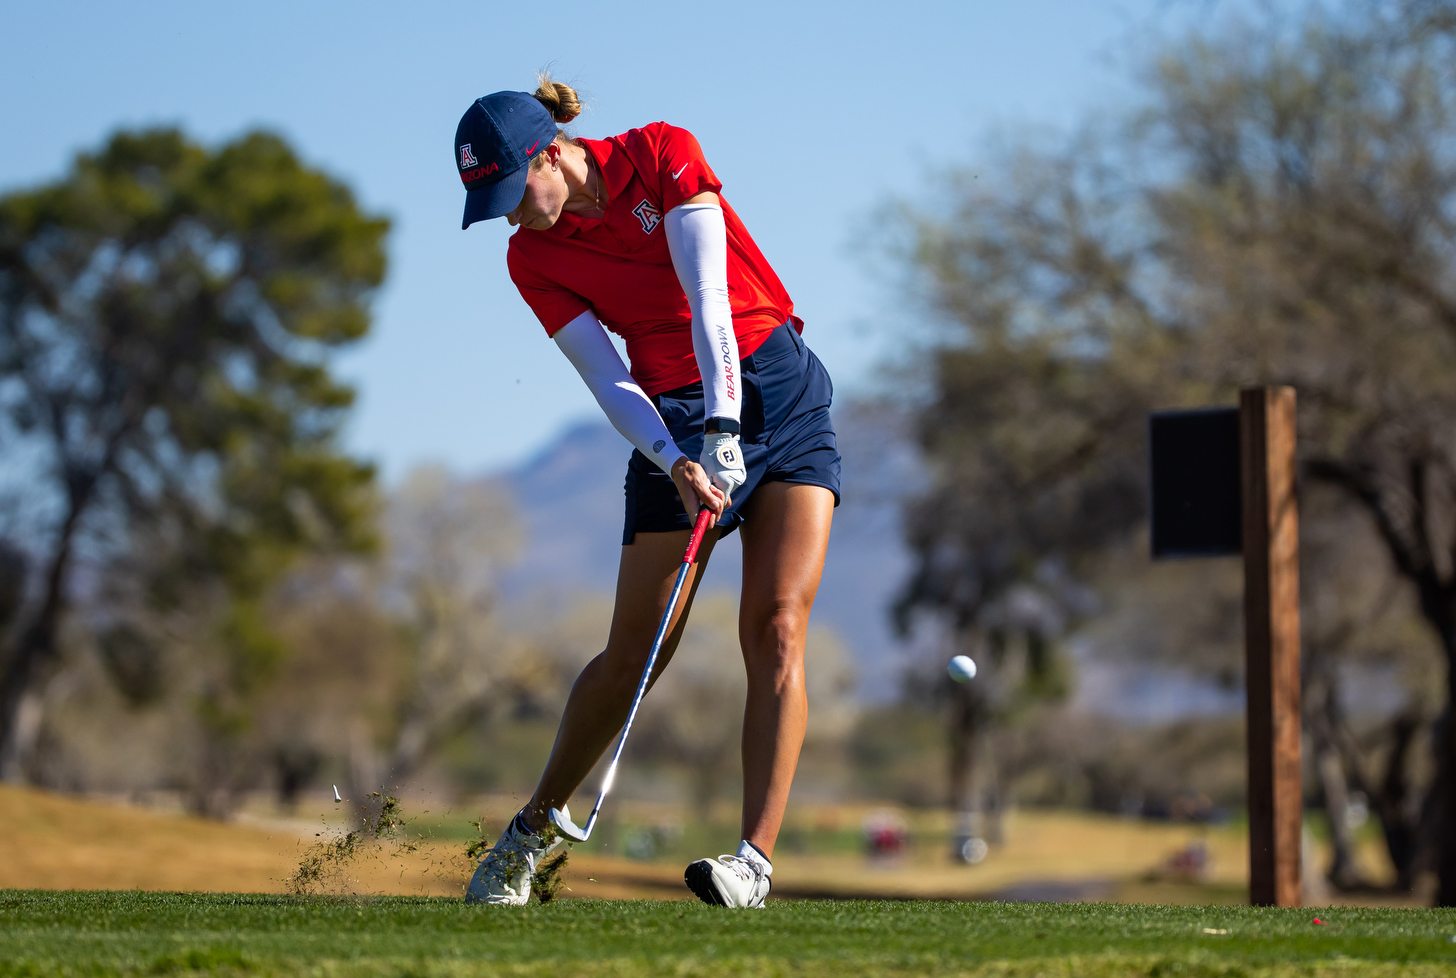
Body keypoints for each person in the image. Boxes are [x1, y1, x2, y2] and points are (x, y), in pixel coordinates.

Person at [455, 77, 839, 909]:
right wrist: (675, 456)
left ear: (548, 152)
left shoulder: (661, 153)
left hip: (777, 387)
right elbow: (608, 378)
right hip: (672, 414)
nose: (513, 216)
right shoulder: (533, 257)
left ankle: (752, 865)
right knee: (640, 650)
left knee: (776, 626)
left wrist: (728, 428)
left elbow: (711, 303)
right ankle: (527, 834)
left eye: (514, 193)